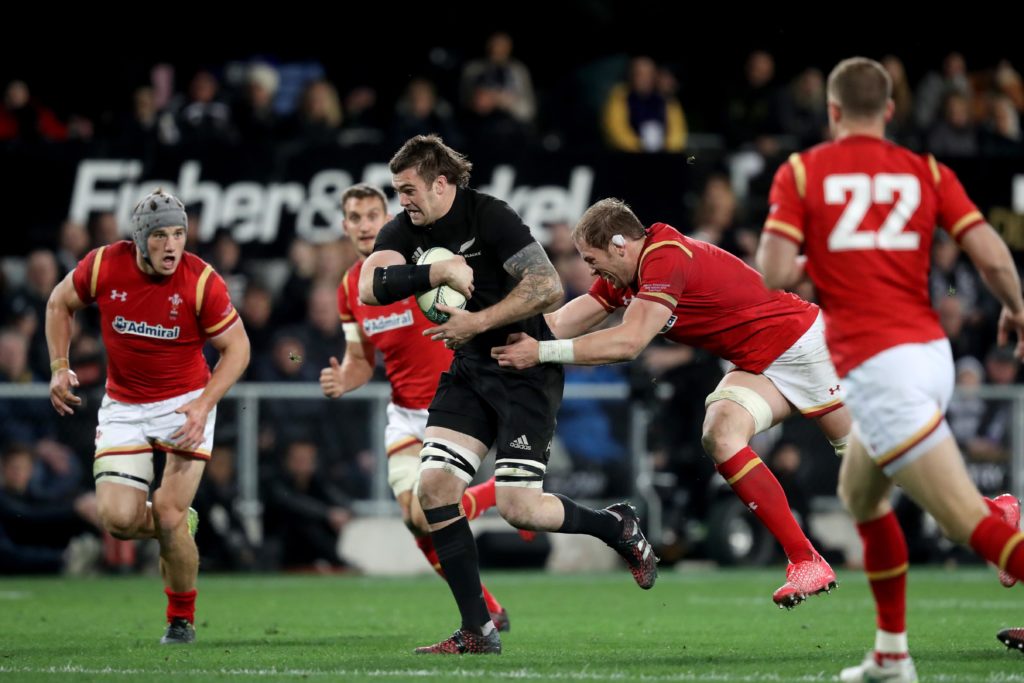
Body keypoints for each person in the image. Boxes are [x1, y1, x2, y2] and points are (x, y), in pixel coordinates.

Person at [756, 57, 1024, 682]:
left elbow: (771, 272)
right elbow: (988, 251)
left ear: (831, 112)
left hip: (880, 367)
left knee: (961, 521)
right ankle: (892, 654)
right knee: (862, 494)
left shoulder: (803, 170)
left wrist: (812, 260)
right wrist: (1015, 307)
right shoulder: (926, 169)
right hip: (929, 353)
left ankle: (899, 649)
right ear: (891, 112)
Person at [357, 135, 657, 655]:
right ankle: (477, 630)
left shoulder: (490, 215)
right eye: (397, 189)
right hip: (470, 369)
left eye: (409, 189)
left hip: (525, 365)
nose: (402, 199)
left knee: (520, 508)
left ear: (442, 183)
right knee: (433, 491)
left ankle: (615, 525)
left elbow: (547, 287)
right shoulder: (405, 228)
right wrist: (437, 272)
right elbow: (369, 284)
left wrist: (478, 320)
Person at [491, 197, 850, 608]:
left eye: (592, 259)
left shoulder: (666, 257)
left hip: (806, 349)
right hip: (759, 364)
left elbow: (628, 342)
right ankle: (805, 560)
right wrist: (489, 329)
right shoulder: (626, 272)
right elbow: (558, 323)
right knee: (720, 434)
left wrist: (540, 353)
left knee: (878, 462)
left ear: (620, 245)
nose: (591, 270)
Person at [45, 189, 250, 644]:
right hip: (124, 407)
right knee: (117, 519)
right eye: (160, 236)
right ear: (139, 239)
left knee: (171, 515)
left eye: (179, 233)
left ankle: (180, 619)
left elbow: (238, 349)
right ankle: (177, 523)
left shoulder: (201, 280)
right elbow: (59, 303)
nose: (172, 245)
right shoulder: (103, 265)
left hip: (185, 404)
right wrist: (60, 367)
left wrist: (203, 404)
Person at [319, 183, 521, 629]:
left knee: (424, 513)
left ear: (386, 217)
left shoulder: (423, 260)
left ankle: (498, 496)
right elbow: (359, 361)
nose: (366, 224)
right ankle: (488, 608)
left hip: (453, 410)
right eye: (356, 217)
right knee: (418, 521)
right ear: (344, 225)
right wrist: (343, 380)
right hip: (405, 416)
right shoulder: (351, 288)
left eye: (374, 214)